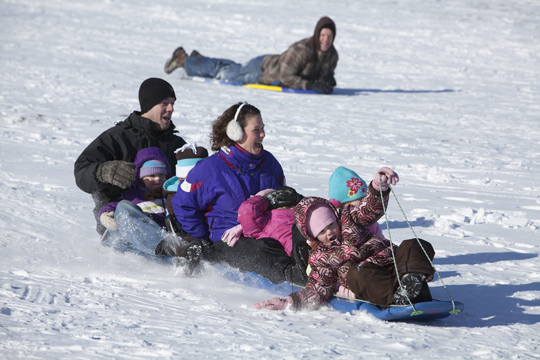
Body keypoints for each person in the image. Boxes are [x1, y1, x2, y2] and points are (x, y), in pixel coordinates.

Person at [254, 168, 436, 311]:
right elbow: (317, 289)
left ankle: (410, 278)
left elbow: (369, 210)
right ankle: (398, 296)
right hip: (367, 274)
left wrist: (377, 187)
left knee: (414, 245)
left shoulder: (350, 218)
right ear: (312, 235)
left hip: (390, 259)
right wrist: (288, 301)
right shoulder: (320, 258)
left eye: (331, 224)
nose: (330, 231)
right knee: (356, 275)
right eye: (322, 231)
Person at [171, 102, 307, 285]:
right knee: (263, 250)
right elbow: (183, 203)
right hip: (227, 241)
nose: (263, 135)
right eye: (256, 130)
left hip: (268, 231)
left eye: (263, 129)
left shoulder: (270, 164)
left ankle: (322, 272)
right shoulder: (211, 169)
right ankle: (298, 281)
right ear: (237, 132)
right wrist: (202, 240)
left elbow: (282, 203)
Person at [74, 78, 187, 235]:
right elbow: (82, 169)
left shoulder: (176, 144)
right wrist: (103, 171)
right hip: (119, 222)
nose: (171, 108)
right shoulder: (118, 137)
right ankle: (167, 249)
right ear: (150, 105)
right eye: (165, 103)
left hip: (166, 221)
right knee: (126, 211)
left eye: (173, 103)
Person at [164, 16, 338, 94]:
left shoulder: (332, 56)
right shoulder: (302, 49)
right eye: (322, 35)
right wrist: (310, 85)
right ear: (317, 35)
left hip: (269, 73)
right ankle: (184, 59)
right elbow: (285, 75)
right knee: (225, 74)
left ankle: (199, 60)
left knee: (231, 69)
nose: (325, 40)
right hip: (263, 70)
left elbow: (320, 77)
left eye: (329, 36)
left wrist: (326, 81)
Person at [98, 147, 202, 270]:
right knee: (123, 207)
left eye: (161, 175)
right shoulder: (133, 195)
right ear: (142, 178)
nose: (158, 179)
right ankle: (171, 250)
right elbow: (115, 206)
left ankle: (183, 260)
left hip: (165, 244)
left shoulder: (169, 195)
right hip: (136, 243)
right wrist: (106, 214)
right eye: (152, 175)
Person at [328, 166, 386, 239]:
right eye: (359, 201)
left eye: (365, 199)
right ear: (342, 205)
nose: (364, 204)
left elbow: (381, 239)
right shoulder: (336, 226)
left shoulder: (372, 223)